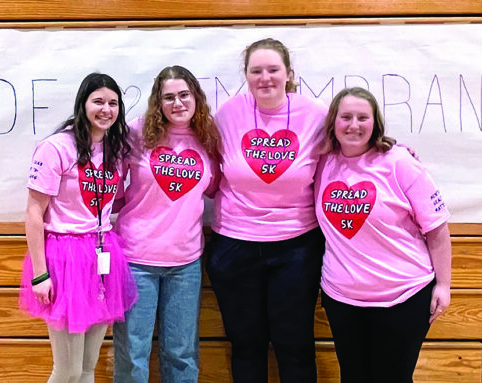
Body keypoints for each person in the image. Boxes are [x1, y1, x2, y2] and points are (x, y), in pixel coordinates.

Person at [206, 38, 328, 383]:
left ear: (289, 74)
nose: (265, 78)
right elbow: (196, 151)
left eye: (273, 70)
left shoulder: (315, 115)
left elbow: (352, 149)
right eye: (255, 70)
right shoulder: (228, 113)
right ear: (245, 75)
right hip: (234, 245)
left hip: (297, 246)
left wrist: (391, 150)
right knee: (246, 344)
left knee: (295, 343)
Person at [315, 87, 452, 383]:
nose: (354, 124)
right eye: (346, 117)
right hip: (342, 299)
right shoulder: (323, 163)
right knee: (353, 377)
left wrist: (444, 284)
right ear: (333, 123)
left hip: (403, 296)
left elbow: (437, 228)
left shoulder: (399, 162)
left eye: (363, 117)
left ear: (375, 122)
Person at [19, 72, 138, 383]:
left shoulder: (116, 149)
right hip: (64, 256)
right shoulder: (56, 147)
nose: (106, 109)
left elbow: (118, 199)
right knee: (67, 370)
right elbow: (34, 212)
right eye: (98, 101)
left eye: (113, 103)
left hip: (102, 252)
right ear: (82, 104)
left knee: (88, 365)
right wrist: (40, 274)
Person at [112, 65, 221, 383]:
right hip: (136, 260)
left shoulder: (207, 138)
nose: (177, 103)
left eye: (184, 95)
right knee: (133, 354)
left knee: (181, 353)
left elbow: (213, 188)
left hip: (185, 263)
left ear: (196, 98)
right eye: (168, 97)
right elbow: (112, 184)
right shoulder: (137, 132)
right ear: (158, 102)